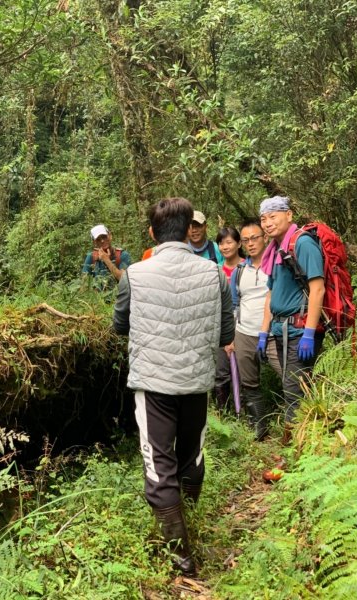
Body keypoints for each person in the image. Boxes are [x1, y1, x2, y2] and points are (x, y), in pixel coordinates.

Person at [113, 197, 234, 576]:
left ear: (152, 233)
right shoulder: (215, 274)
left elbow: (119, 325)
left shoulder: (135, 274)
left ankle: (181, 554)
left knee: (158, 462)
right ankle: (190, 519)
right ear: (187, 232)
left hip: (153, 386)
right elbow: (226, 331)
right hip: (198, 383)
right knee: (191, 455)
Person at [258, 196, 325, 443]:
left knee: (293, 391)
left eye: (273, 216)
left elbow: (317, 289)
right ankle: (307, 442)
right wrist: (264, 332)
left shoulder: (303, 244)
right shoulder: (275, 249)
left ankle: (294, 448)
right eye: (263, 218)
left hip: (300, 331)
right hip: (280, 330)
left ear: (289, 215)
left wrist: (309, 333)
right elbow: (271, 293)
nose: (267, 223)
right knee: (296, 388)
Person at [229, 218, 281, 440]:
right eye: (245, 240)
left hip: (273, 334)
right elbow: (234, 304)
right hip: (245, 333)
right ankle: (260, 426)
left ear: (265, 238)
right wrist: (231, 338)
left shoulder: (278, 263)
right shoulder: (239, 271)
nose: (250, 243)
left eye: (254, 238)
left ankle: (295, 423)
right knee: (250, 383)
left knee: (289, 378)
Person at [214, 227, 246, 408]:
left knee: (244, 371)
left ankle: (245, 411)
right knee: (221, 372)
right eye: (221, 243)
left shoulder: (247, 267)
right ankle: (223, 414)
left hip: (244, 325)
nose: (225, 247)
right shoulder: (216, 271)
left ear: (239, 243)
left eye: (229, 242)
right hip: (221, 326)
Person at [82, 224, 131, 288]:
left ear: (110, 236)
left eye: (104, 237)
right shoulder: (92, 257)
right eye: (98, 239)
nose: (102, 241)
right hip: (98, 297)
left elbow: (124, 279)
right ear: (94, 242)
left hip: (119, 296)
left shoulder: (122, 255)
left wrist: (107, 260)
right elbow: (84, 284)